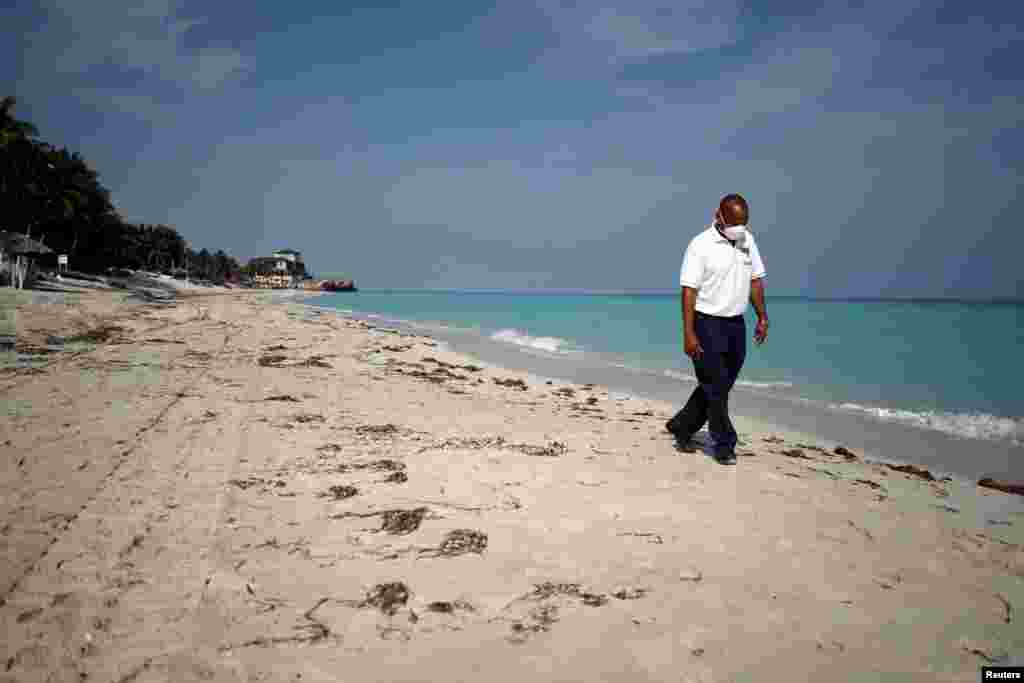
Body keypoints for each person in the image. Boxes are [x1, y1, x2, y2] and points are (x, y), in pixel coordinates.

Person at [665, 193, 768, 465]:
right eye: (734, 221)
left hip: (736, 325)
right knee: (716, 387)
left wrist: (762, 316)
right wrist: (689, 333)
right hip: (706, 322)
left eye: (743, 222)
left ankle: (682, 426)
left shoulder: (747, 241)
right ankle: (724, 444)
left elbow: (756, 280)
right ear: (718, 216)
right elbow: (689, 291)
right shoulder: (700, 245)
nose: (738, 227)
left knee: (718, 385)